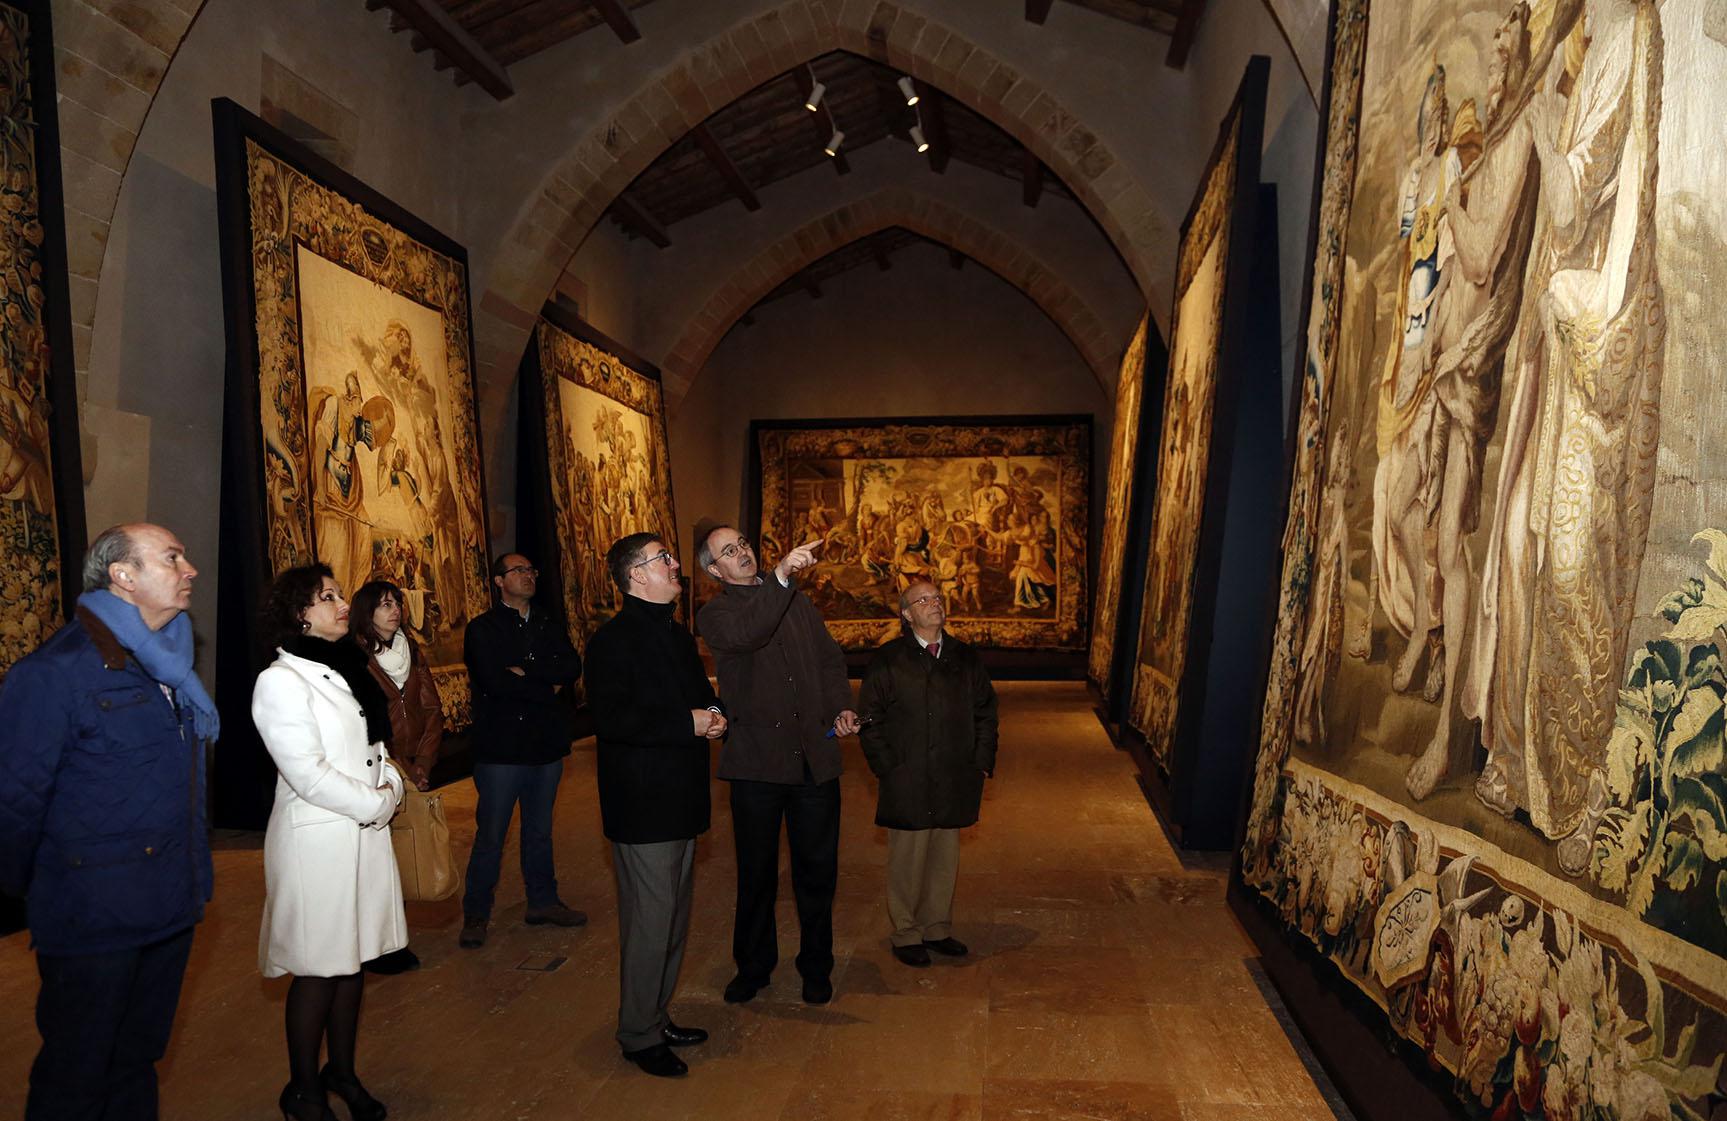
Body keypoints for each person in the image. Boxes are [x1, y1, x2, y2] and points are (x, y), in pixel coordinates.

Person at [0, 523, 215, 1121]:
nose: (190, 569)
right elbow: (14, 800)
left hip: (168, 903)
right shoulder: (56, 671)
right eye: (172, 557)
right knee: (77, 1072)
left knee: (137, 1061)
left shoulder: (168, 665)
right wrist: (36, 890)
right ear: (123, 576)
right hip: (94, 917)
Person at [253, 563, 404, 1121]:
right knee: (318, 968)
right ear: (300, 614)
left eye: (340, 594)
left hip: (361, 833)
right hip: (317, 843)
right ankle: (303, 1090)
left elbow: (373, 748)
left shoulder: (346, 667)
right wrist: (376, 804)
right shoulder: (281, 681)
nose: (343, 604)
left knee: (351, 961)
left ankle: (341, 1071)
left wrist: (390, 785)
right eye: (328, 597)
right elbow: (307, 773)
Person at [694, 524, 858, 1006]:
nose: (742, 552)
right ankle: (753, 966)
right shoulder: (716, 614)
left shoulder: (798, 603)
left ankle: (816, 966)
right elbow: (752, 632)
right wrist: (782, 576)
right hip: (756, 765)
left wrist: (840, 707)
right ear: (714, 570)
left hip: (813, 760)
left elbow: (829, 661)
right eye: (729, 551)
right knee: (757, 874)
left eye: (743, 544)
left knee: (817, 872)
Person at [585, 532, 725, 1078]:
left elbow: (699, 694)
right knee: (649, 924)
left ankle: (655, 1014)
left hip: (681, 797)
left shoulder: (675, 634)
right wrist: (687, 722)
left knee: (672, 922)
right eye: (662, 558)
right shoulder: (611, 641)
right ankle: (639, 1034)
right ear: (635, 575)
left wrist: (714, 713)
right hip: (643, 805)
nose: (674, 564)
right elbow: (612, 719)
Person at [859, 579, 998, 967]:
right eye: (923, 600)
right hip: (908, 774)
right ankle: (906, 932)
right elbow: (870, 717)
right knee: (908, 857)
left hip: (954, 773)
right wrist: (887, 767)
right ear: (907, 614)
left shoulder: (965, 658)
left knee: (944, 856)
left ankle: (937, 927)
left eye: (937, 597)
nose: (934, 603)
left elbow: (986, 712)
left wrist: (981, 760)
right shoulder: (889, 659)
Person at [458, 553, 585, 948]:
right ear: (499, 581)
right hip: (501, 749)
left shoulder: (548, 622)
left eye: (531, 569)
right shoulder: (482, 629)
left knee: (539, 831)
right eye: (519, 570)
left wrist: (526, 673)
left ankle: (543, 902)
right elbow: (495, 683)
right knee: (492, 835)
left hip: (545, 745)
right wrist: (545, 685)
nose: (529, 575)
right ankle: (476, 914)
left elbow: (571, 668)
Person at [351, 578, 446, 975]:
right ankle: (372, 945)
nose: (395, 610)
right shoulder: (355, 658)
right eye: (384, 604)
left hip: (411, 763)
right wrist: (400, 768)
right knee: (374, 859)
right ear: (366, 612)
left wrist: (423, 761)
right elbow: (363, 720)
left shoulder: (413, 651)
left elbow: (432, 709)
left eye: (397, 603)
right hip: (377, 767)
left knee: (402, 853)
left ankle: (392, 939)